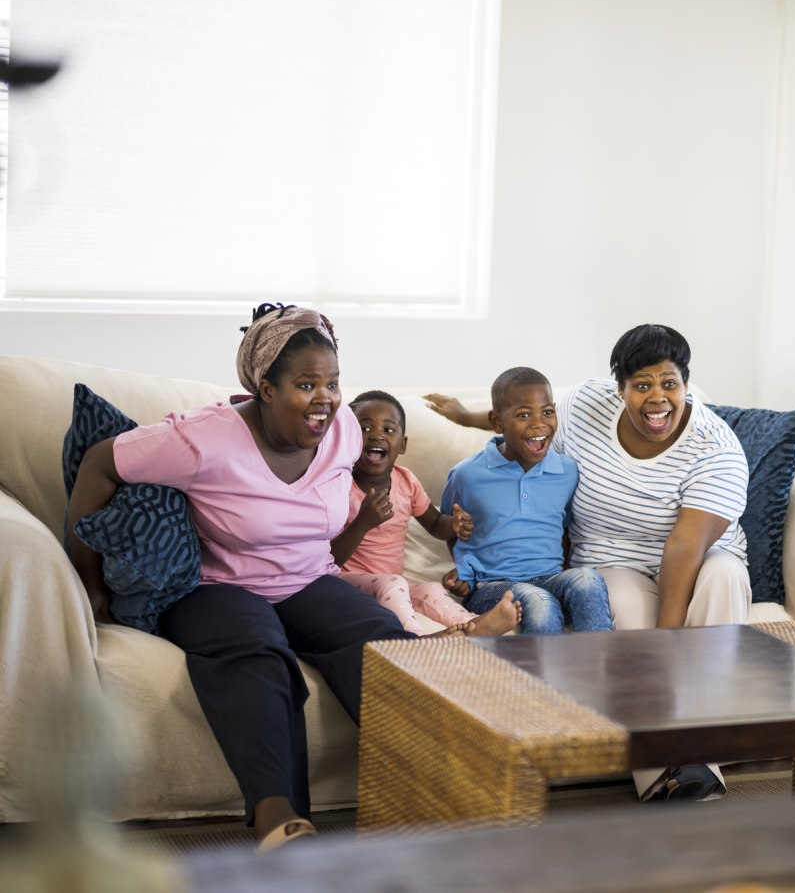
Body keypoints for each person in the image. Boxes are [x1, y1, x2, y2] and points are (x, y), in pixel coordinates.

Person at [66, 304, 518, 851]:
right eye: (306, 384)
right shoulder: (202, 438)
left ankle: (441, 796)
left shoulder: (344, 429)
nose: (325, 398)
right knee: (256, 651)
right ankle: (278, 818)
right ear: (265, 387)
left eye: (332, 383)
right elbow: (99, 463)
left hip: (308, 579)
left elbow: (372, 487)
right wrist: (91, 584)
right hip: (218, 587)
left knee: (383, 641)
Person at [425, 325, 750, 801]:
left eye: (670, 383)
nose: (657, 398)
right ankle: (661, 774)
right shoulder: (584, 404)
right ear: (618, 389)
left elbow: (684, 548)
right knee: (619, 603)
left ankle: (697, 760)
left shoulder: (716, 449)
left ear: (685, 384)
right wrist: (466, 416)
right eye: (642, 385)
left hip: (700, 560)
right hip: (613, 560)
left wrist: (665, 647)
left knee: (723, 579)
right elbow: (524, 425)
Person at [331, 390, 520, 636]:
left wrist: (453, 524)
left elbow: (434, 523)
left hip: (389, 587)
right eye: (365, 429)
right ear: (349, 438)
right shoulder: (340, 486)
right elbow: (328, 557)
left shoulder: (406, 482)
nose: (377, 435)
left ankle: (474, 625)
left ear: (402, 444)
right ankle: (417, 639)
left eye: (389, 430)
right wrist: (362, 523)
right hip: (346, 582)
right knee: (395, 583)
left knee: (429, 588)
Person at [439, 367, 612, 635]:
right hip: (491, 587)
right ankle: (539, 679)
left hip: (551, 579)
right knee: (538, 601)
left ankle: (599, 672)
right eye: (523, 414)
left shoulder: (567, 471)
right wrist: (464, 572)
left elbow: (564, 529)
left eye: (547, 412)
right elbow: (449, 526)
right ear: (497, 422)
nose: (539, 423)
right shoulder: (467, 475)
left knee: (587, 579)